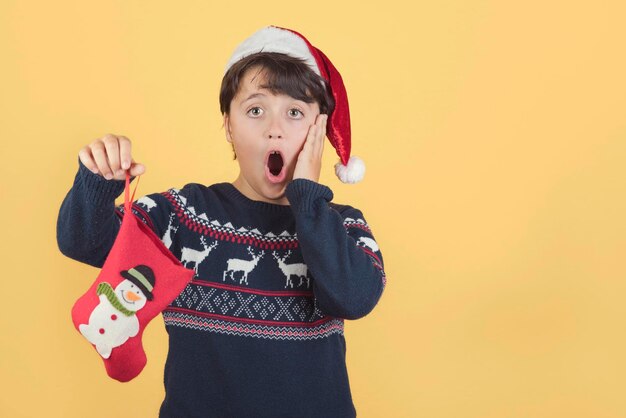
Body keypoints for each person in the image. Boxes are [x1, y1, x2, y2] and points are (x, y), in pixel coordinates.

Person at [57, 25, 386, 418]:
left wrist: (309, 201)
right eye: (255, 110)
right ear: (228, 125)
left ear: (319, 129)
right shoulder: (181, 216)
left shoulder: (343, 226)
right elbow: (84, 242)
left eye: (295, 112)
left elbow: (354, 298)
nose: (274, 129)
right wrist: (97, 181)